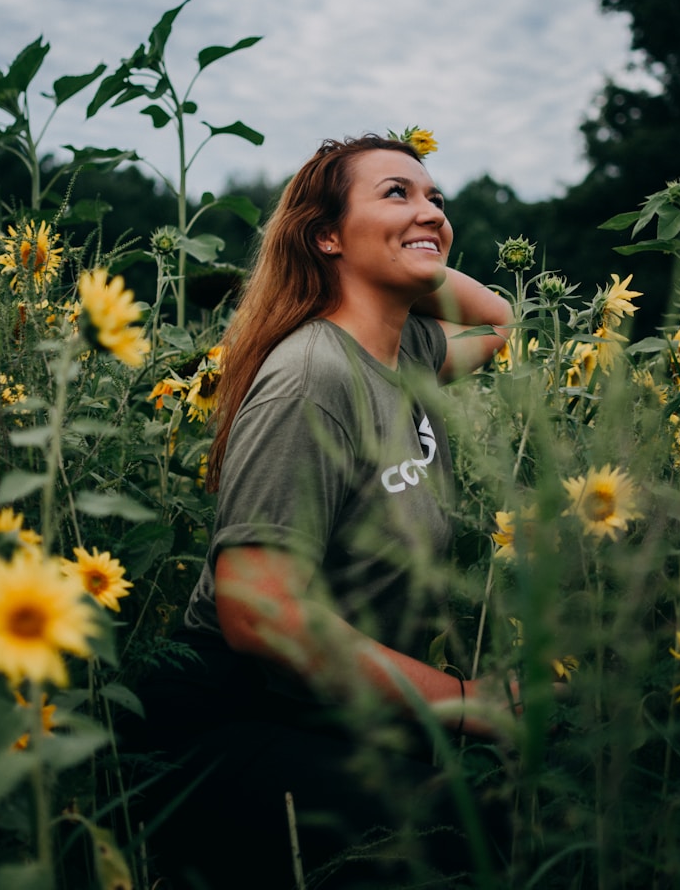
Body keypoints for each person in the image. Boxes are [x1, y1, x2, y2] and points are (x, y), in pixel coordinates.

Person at [134, 134, 514, 888]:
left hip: (332, 709)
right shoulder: (313, 374)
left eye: (437, 198)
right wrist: (470, 704)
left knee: (510, 805)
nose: (432, 209)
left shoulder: (404, 355)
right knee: (461, 830)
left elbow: (498, 321)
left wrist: (415, 243)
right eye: (397, 192)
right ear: (327, 235)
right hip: (231, 719)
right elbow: (259, 611)